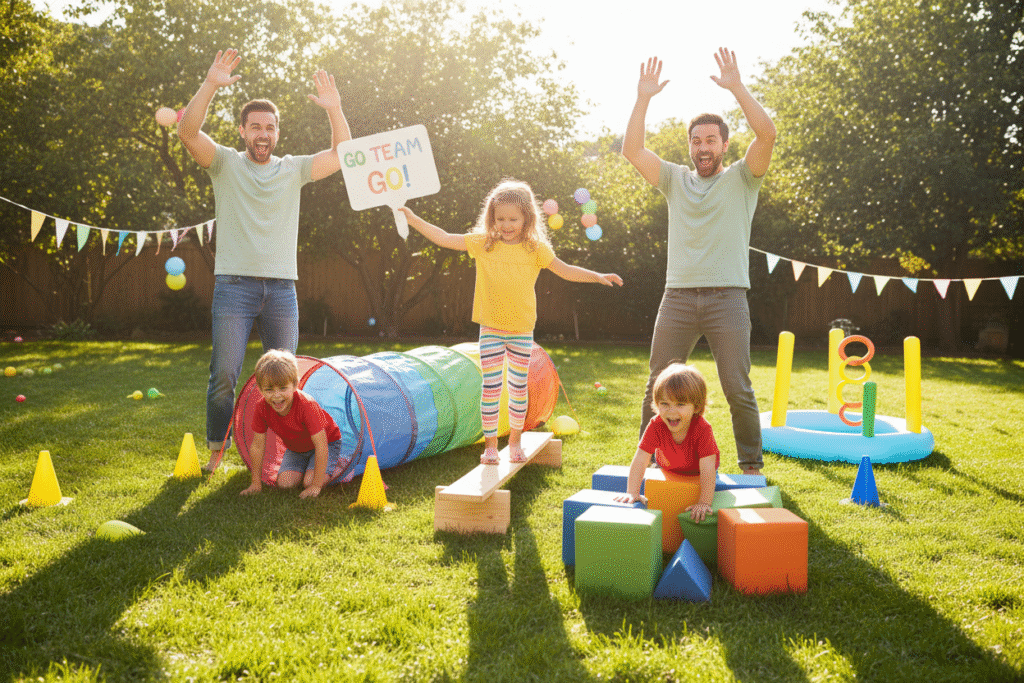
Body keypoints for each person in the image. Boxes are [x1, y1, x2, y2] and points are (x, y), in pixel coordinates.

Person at [177, 48, 351, 472]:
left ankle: (284, 454)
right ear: (242, 130)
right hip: (234, 288)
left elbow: (345, 154)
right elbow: (187, 132)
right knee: (224, 376)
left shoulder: (293, 168)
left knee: (284, 382)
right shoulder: (224, 164)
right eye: (255, 126)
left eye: (270, 127)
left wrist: (335, 109)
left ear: (277, 133)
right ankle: (218, 449)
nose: (263, 133)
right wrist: (211, 84)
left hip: (281, 290)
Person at [621, 48, 776, 475]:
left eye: (711, 139)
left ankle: (750, 466)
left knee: (737, 388)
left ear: (724, 145)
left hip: (728, 297)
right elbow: (632, 149)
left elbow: (767, 135)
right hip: (678, 298)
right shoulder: (675, 179)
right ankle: (649, 464)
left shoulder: (743, 178)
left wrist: (736, 87)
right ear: (689, 146)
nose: (702, 146)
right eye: (696, 140)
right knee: (657, 384)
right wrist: (643, 98)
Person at [398, 179, 624, 464]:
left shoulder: (536, 249)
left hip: (521, 330)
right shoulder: (483, 243)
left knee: (518, 387)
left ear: (526, 218)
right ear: (492, 217)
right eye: (500, 218)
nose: (506, 225)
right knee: (491, 387)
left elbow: (565, 271)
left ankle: (514, 443)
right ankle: (490, 447)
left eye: (513, 219)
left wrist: (597, 276)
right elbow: (444, 237)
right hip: (491, 329)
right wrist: (413, 218)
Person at [615, 363, 719, 522]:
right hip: (667, 469)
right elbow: (640, 459)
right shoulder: (656, 425)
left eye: (680, 404)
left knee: (708, 479)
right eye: (664, 404)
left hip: (697, 473)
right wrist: (632, 492)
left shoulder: (702, 429)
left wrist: (704, 502)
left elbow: (707, 468)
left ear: (696, 406)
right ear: (657, 404)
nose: (671, 411)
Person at [240, 349, 345, 498]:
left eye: (283, 388)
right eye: (269, 389)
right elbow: (257, 445)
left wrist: (315, 485)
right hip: (296, 448)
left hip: (327, 443)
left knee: (309, 483)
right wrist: (255, 482)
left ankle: (338, 463)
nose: (276, 396)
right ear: (260, 389)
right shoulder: (261, 407)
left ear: (295, 384)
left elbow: (321, 445)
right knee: (285, 484)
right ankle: (309, 465)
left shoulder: (306, 405)